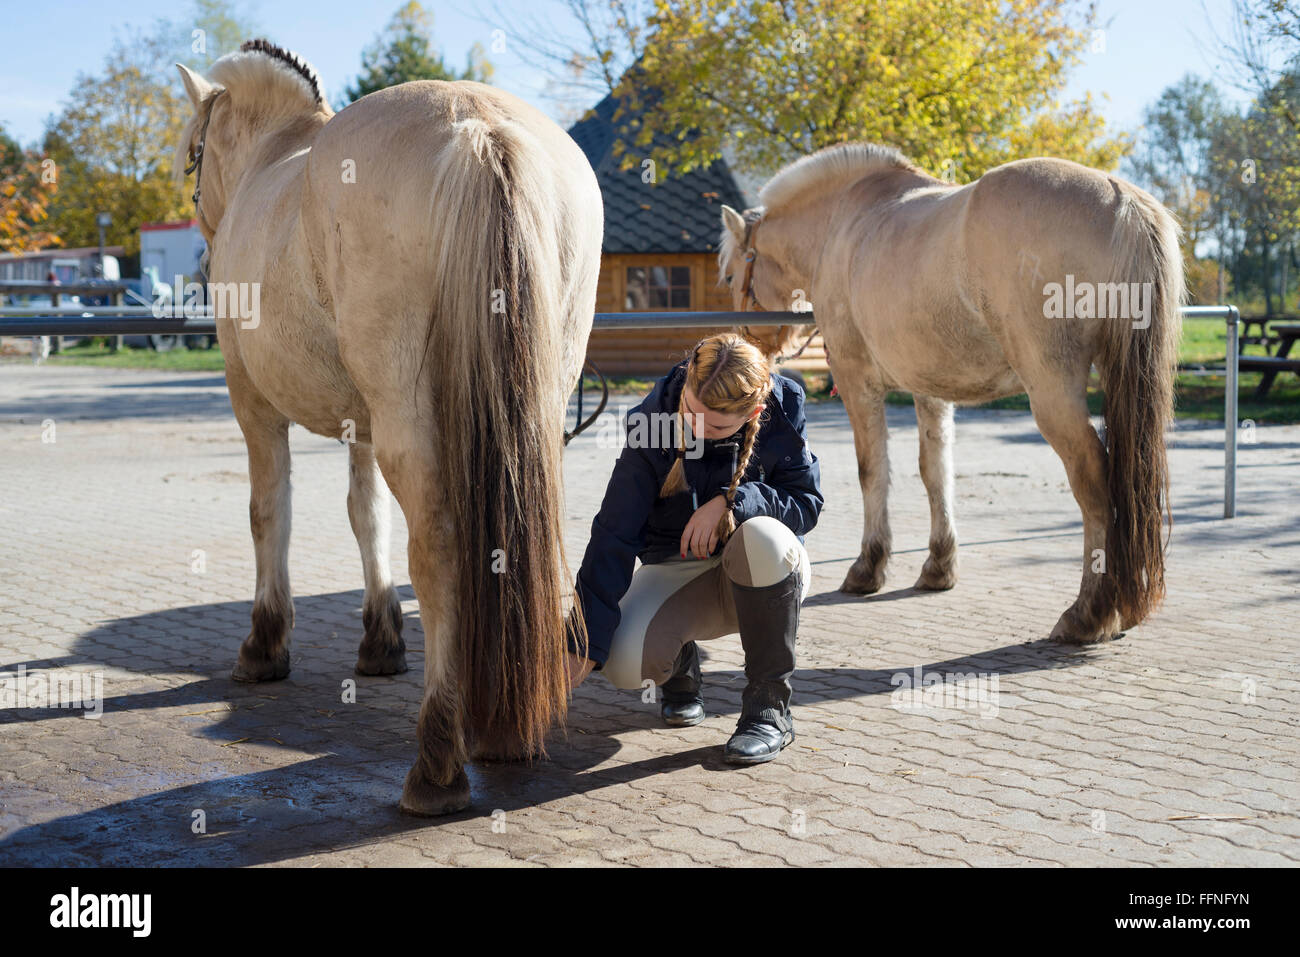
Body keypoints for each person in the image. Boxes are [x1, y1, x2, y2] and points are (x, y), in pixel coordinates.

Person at [566, 332, 823, 763]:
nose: (697, 429)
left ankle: (768, 709)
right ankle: (680, 667)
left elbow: (806, 503)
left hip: (765, 569)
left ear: (754, 412)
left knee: (762, 536)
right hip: (682, 571)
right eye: (691, 412)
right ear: (686, 382)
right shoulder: (652, 421)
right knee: (624, 662)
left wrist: (731, 502)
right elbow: (614, 531)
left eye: (717, 425)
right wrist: (582, 643)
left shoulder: (783, 407)